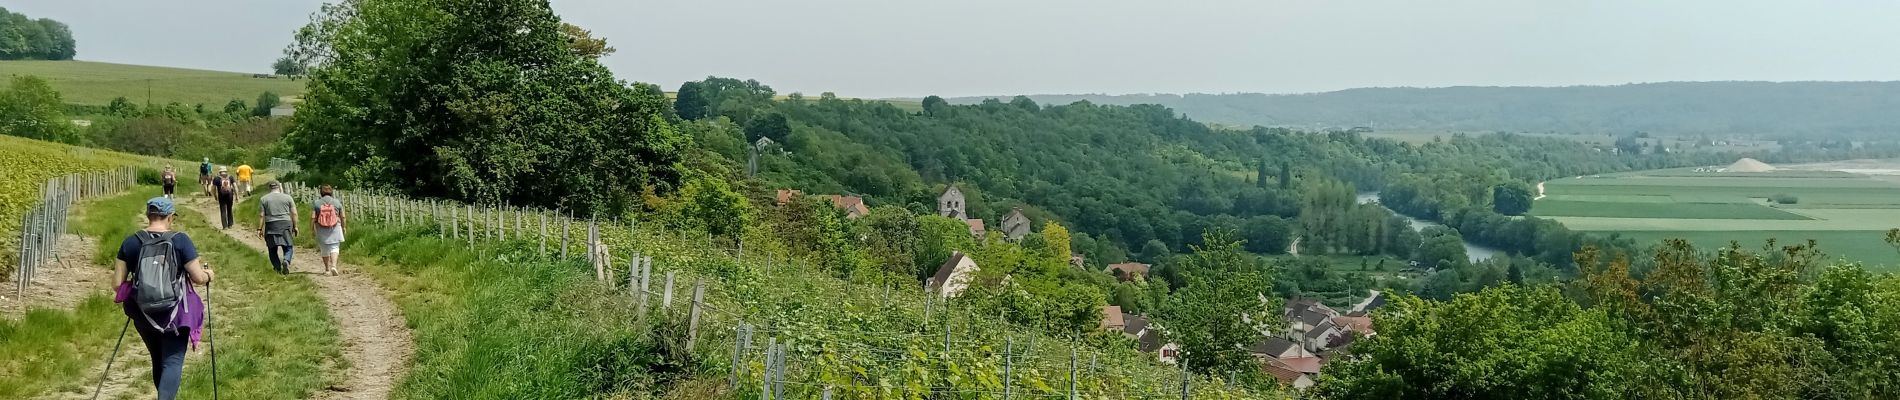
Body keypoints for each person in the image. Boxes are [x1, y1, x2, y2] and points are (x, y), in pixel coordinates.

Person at [113, 196, 213, 400]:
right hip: (175, 314)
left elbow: (117, 283)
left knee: (158, 360)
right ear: (170, 217)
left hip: (143, 313)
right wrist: (209, 274)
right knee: (173, 360)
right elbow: (197, 277)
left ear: (148, 215)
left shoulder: (131, 242)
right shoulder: (180, 240)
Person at [259, 181, 298, 274]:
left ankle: (277, 268)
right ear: (279, 187)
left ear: (270, 188)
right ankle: (286, 260)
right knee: (288, 245)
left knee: (272, 248)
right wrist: (295, 226)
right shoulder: (288, 197)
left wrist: (259, 229)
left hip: (271, 224)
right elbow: (294, 213)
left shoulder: (264, 199)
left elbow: (261, 215)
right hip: (285, 223)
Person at [311, 185, 346, 276]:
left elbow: (313, 217)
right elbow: (343, 216)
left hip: (321, 228)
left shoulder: (317, 203)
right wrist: (343, 227)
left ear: (321, 192)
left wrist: (312, 229)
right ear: (331, 192)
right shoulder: (337, 202)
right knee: (335, 247)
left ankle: (327, 269)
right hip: (335, 227)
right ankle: (334, 266)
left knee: (324, 248)